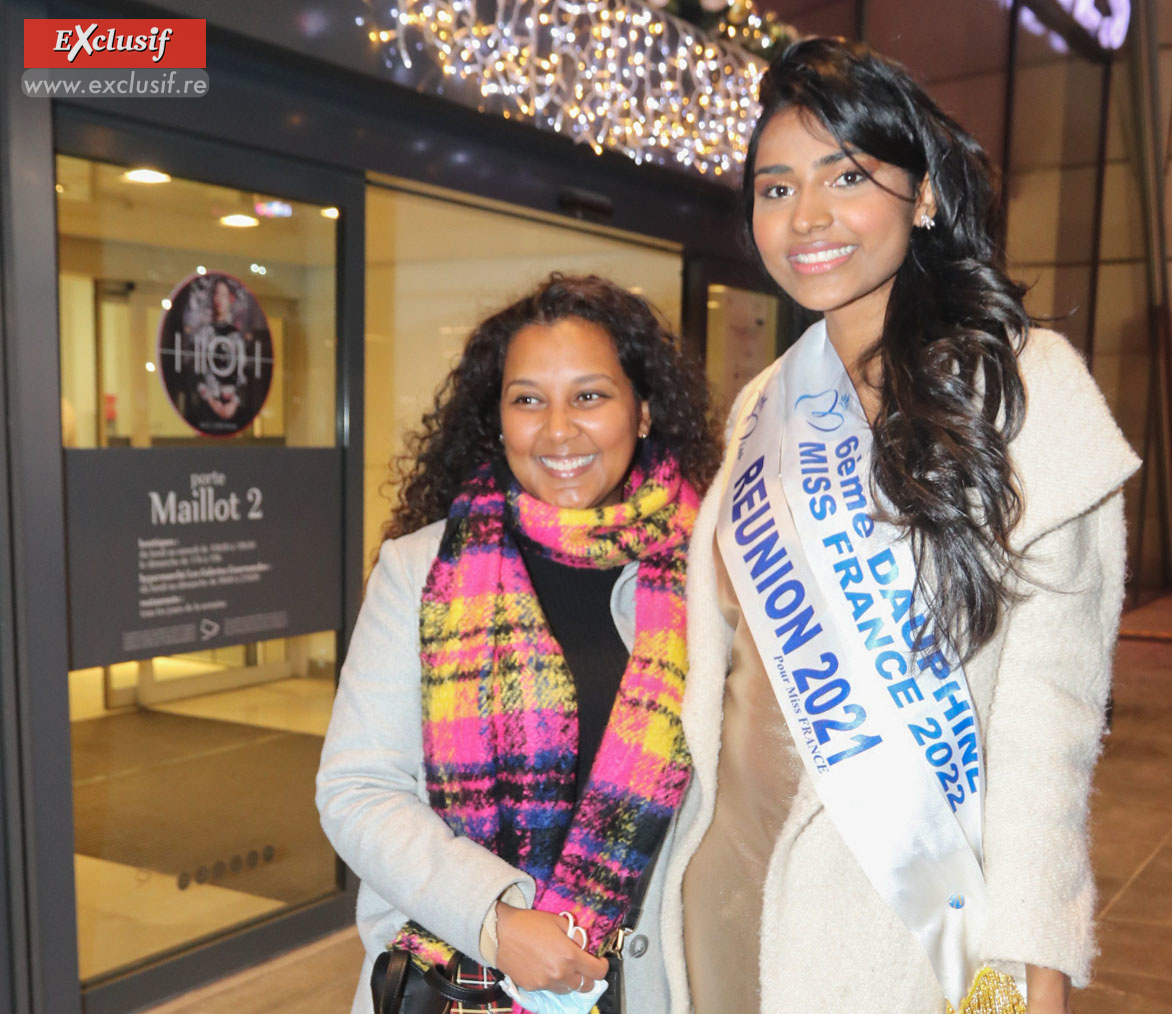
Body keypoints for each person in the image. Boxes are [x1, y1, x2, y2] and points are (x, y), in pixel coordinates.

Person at [658, 38, 1141, 1014]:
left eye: (846, 176)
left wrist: (1031, 953)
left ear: (921, 194)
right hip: (723, 876)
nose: (805, 219)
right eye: (773, 186)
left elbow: (1047, 722)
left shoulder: (1022, 391)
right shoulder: (762, 404)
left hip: (894, 909)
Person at [317, 273, 721, 1014]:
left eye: (590, 396)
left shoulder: (712, 575)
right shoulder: (420, 570)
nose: (558, 430)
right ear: (497, 419)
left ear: (643, 411)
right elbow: (358, 790)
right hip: (464, 978)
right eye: (528, 399)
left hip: (651, 985)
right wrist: (496, 921)